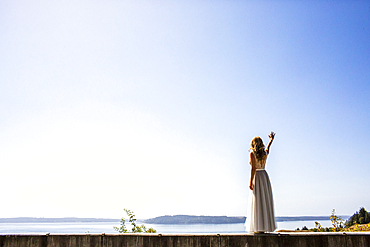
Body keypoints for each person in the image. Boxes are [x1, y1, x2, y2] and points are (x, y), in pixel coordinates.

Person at [245, 132, 277, 233]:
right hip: (264, 176)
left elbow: (253, 168)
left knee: (257, 201)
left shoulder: (252, 154)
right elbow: (268, 149)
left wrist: (250, 182)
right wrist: (271, 140)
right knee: (264, 200)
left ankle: (258, 227)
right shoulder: (264, 154)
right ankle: (264, 225)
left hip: (257, 177)